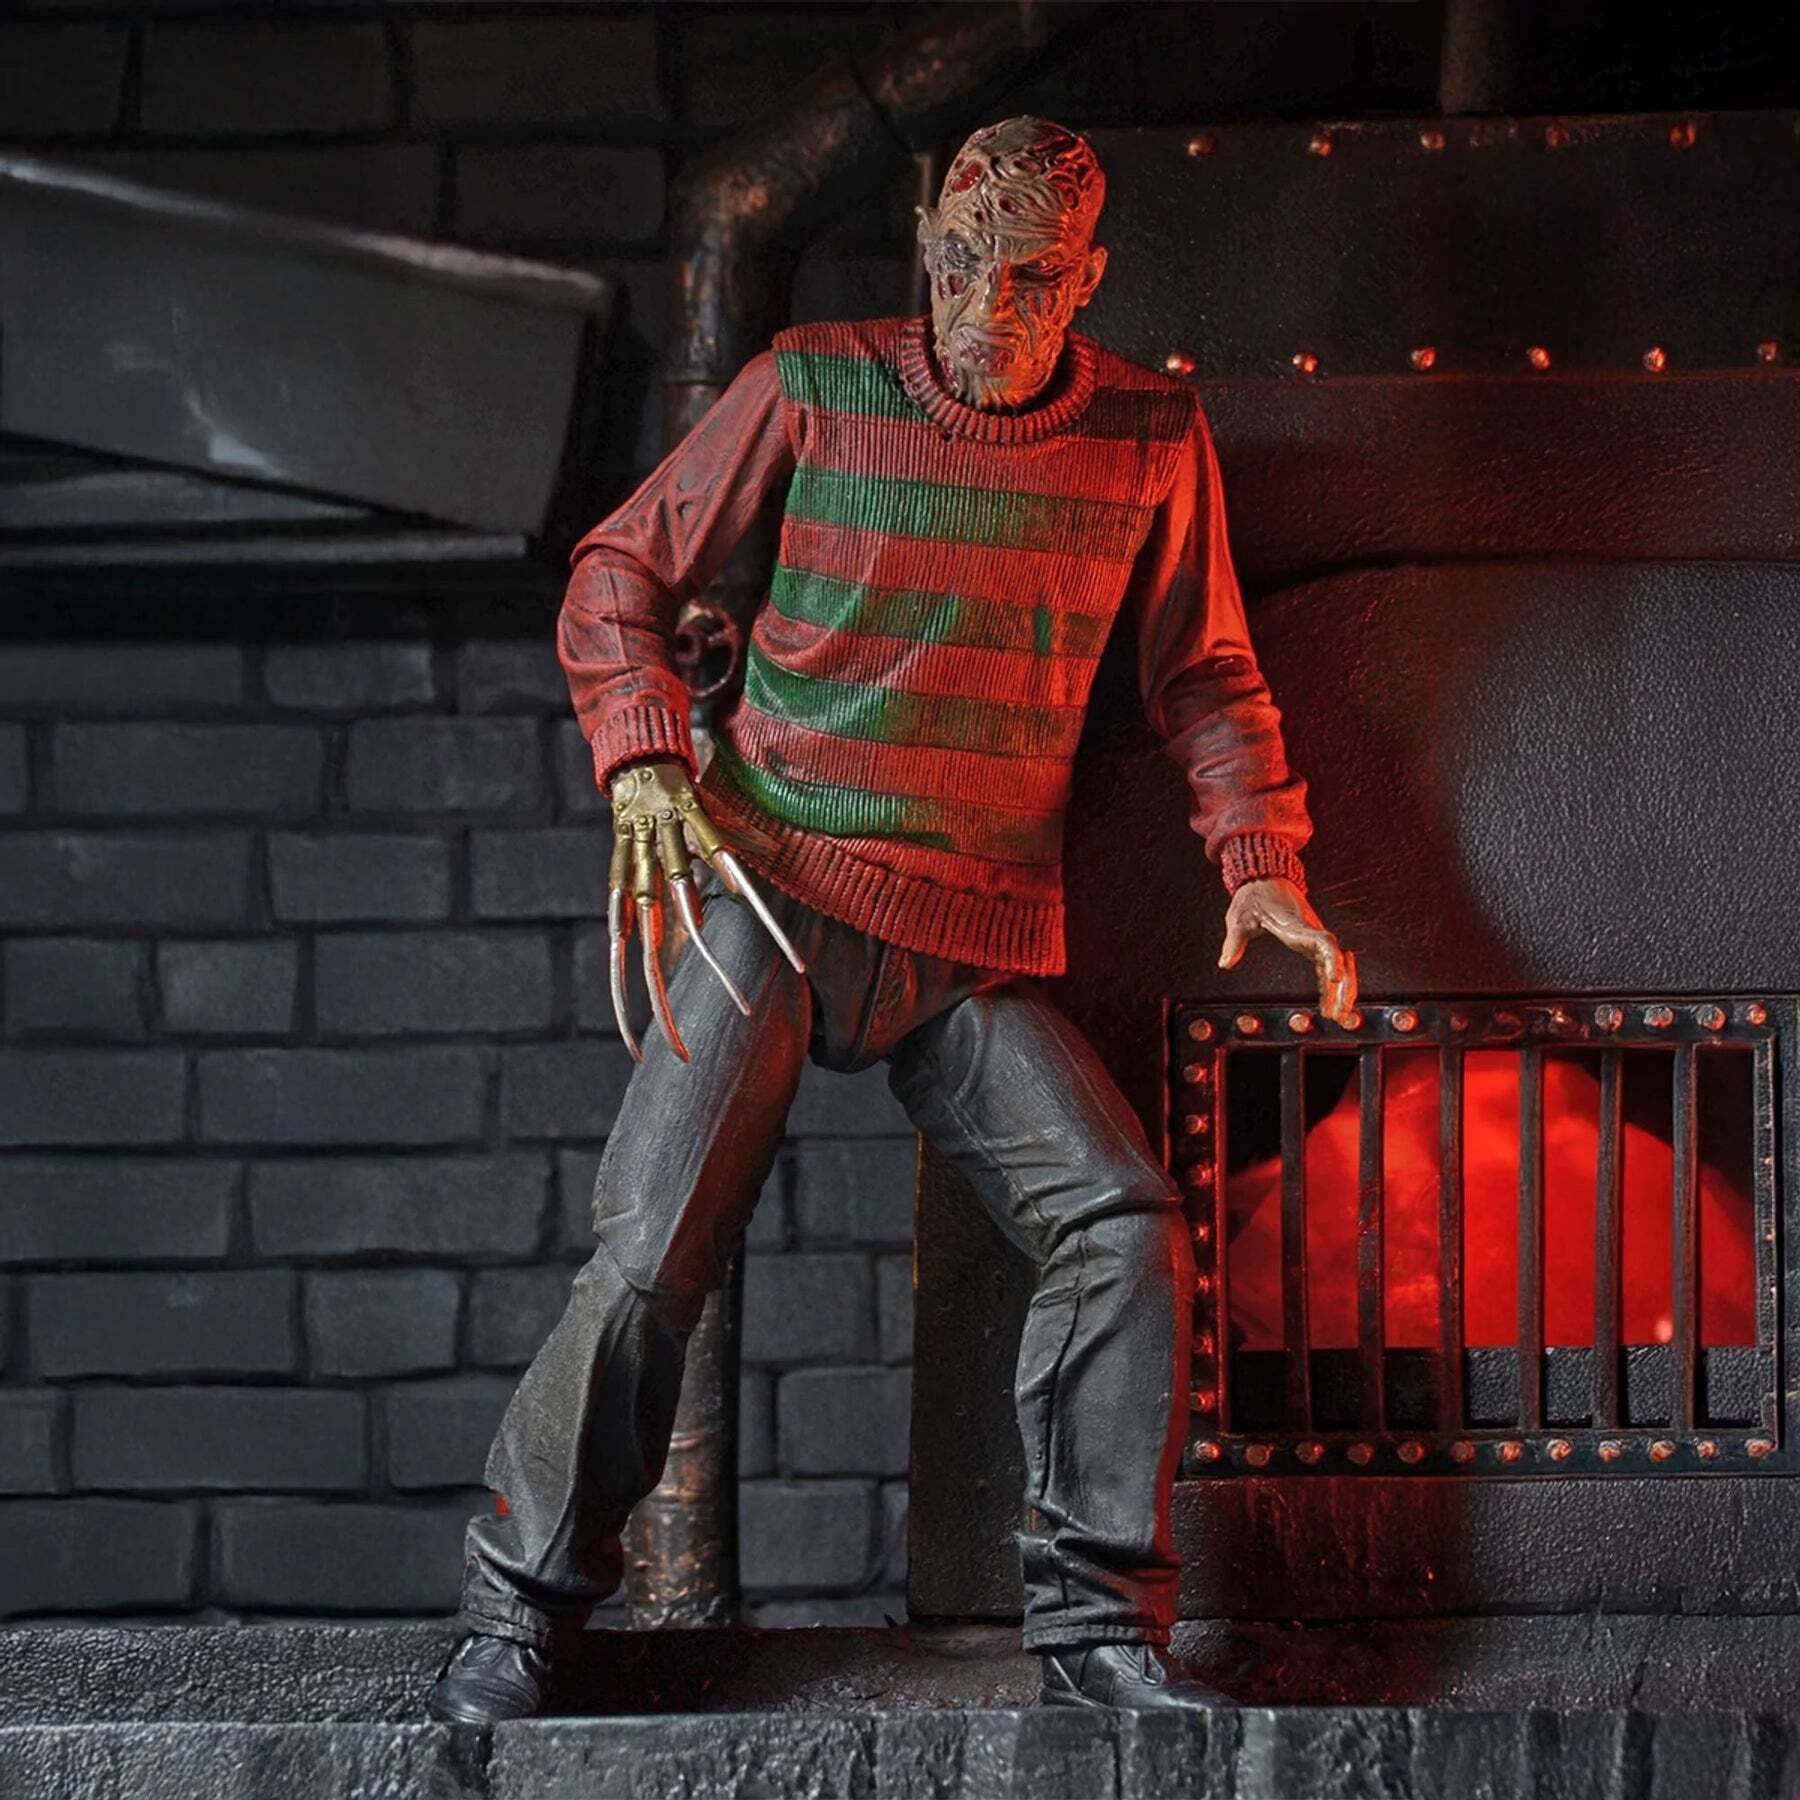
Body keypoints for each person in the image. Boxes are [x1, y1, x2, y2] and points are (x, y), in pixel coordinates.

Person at [428, 115, 1354, 1724]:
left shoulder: (1150, 436)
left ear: (1089, 279)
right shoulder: (812, 383)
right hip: (774, 890)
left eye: (1032, 276)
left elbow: (1205, 675)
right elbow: (616, 572)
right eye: (963, 262)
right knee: (649, 1252)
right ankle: (515, 1617)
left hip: (969, 938)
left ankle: (1097, 1635)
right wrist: (644, 760)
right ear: (928, 244)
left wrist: (1258, 855)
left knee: (1121, 1224)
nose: (988, 303)